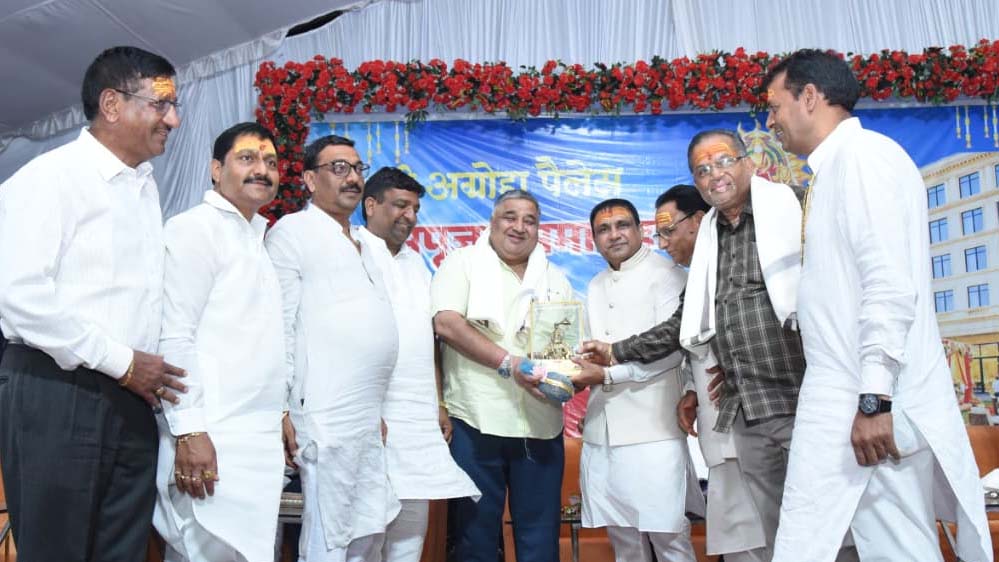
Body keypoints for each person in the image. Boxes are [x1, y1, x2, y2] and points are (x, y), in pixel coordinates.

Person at [763, 48, 993, 562]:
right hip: (848, 397)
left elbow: (888, 286)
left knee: (889, 547)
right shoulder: (838, 167)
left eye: (774, 106)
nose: (770, 121)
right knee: (882, 544)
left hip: (870, 403)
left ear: (809, 97)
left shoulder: (864, 159)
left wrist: (874, 401)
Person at [581, 129, 817, 560]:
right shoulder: (711, 240)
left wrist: (614, 360)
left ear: (749, 163)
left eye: (723, 161)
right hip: (741, 408)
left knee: (822, 525)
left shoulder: (795, 208)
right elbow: (689, 328)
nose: (714, 174)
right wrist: (688, 384)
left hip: (801, 397)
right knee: (765, 531)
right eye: (702, 169)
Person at [0, 46, 186, 562]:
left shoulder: (143, 189)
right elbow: (19, 296)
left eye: (174, 106)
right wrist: (122, 362)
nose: (173, 119)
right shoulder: (50, 177)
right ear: (111, 104)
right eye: (161, 103)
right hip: (59, 390)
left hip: (132, 397)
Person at [153, 122, 291, 562]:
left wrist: (282, 411)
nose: (262, 170)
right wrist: (190, 429)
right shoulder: (194, 229)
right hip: (212, 438)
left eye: (270, 162)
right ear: (216, 170)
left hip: (255, 442)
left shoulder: (256, 238)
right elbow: (174, 335)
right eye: (247, 158)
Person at [266, 135, 400, 561]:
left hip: (365, 413)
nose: (353, 178)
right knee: (330, 533)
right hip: (323, 411)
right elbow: (279, 326)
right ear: (309, 179)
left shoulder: (365, 242)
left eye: (357, 168)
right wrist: (281, 409)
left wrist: (376, 409)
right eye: (338, 168)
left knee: (368, 527)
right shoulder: (292, 232)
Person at [431, 189, 573, 562]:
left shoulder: (555, 278)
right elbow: (447, 324)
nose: (519, 227)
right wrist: (510, 363)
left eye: (530, 221)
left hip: (540, 425)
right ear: (492, 222)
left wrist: (565, 378)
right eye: (510, 217)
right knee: (474, 538)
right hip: (476, 420)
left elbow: (565, 349)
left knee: (540, 541)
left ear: (539, 229)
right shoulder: (462, 263)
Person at [355, 167, 480, 562]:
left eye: (414, 209)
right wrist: (363, 409)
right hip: (370, 416)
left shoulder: (416, 262)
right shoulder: (352, 253)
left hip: (416, 420)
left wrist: (439, 402)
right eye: (400, 206)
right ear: (370, 205)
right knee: (365, 535)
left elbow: (428, 340)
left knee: (410, 537)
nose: (409, 216)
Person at [570, 198, 699, 562]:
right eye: (603, 229)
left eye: (622, 225)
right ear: (594, 239)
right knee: (624, 543)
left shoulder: (669, 275)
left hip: (654, 428)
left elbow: (671, 351)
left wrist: (607, 374)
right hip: (602, 432)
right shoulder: (595, 285)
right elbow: (593, 351)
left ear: (641, 230)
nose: (614, 235)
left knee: (669, 537)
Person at [657, 185, 766, 562]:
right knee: (739, 539)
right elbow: (698, 344)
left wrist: (611, 354)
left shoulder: (730, 264)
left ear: (699, 221)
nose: (663, 243)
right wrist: (691, 388)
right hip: (720, 433)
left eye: (668, 231)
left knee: (760, 536)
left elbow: (674, 333)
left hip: (751, 426)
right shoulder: (700, 273)